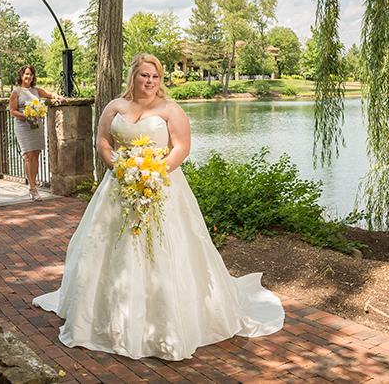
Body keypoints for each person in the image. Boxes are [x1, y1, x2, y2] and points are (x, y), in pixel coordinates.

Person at [33, 54, 285, 361]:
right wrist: (118, 168)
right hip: (119, 187)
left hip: (162, 186)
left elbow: (181, 147)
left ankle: (166, 317)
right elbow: (102, 141)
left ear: (160, 79)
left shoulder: (170, 109)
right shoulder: (115, 107)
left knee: (165, 248)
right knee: (109, 247)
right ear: (133, 78)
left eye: (154, 76)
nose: (150, 81)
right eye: (144, 76)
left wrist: (154, 174)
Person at [8, 65, 64, 201]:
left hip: (37, 125)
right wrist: (26, 116)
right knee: (27, 156)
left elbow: (49, 94)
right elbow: (12, 111)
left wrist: (56, 96)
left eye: (31, 74)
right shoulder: (16, 92)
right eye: (26, 74)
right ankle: (32, 187)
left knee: (36, 155)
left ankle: (33, 185)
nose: (29, 77)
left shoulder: (36, 91)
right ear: (21, 76)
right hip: (22, 125)